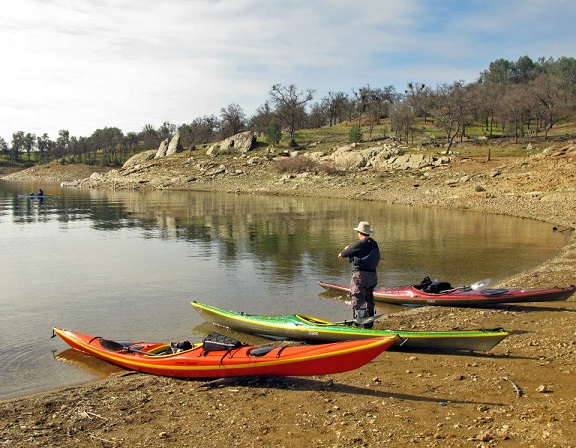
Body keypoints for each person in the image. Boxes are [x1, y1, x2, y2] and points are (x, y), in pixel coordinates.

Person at [338, 221, 381, 328]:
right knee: (369, 299)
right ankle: (370, 325)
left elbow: (341, 255)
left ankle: (361, 326)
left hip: (360, 276)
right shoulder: (373, 243)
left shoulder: (359, 244)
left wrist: (346, 249)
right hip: (372, 276)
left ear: (359, 232)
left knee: (358, 299)